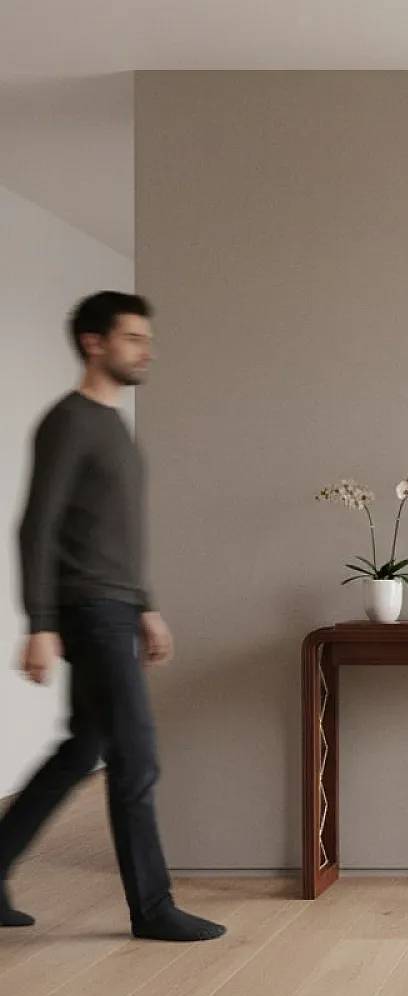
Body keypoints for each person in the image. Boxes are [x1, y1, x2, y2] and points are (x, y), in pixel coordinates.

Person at [0, 292, 225, 942]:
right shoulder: (68, 421)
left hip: (115, 606)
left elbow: (114, 534)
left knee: (83, 750)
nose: (146, 350)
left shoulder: (113, 425)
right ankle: (152, 908)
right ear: (94, 343)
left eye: (146, 338)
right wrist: (40, 621)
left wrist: (145, 607)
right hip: (88, 609)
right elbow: (36, 526)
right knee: (136, 755)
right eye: (132, 338)